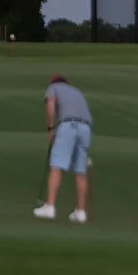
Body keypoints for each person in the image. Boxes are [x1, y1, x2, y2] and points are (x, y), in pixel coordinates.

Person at [35, 74, 93, 223]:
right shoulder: (77, 91)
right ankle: (80, 212)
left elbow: (51, 103)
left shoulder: (53, 88)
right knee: (81, 170)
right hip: (86, 128)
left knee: (56, 165)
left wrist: (50, 128)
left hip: (69, 125)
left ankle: (50, 207)